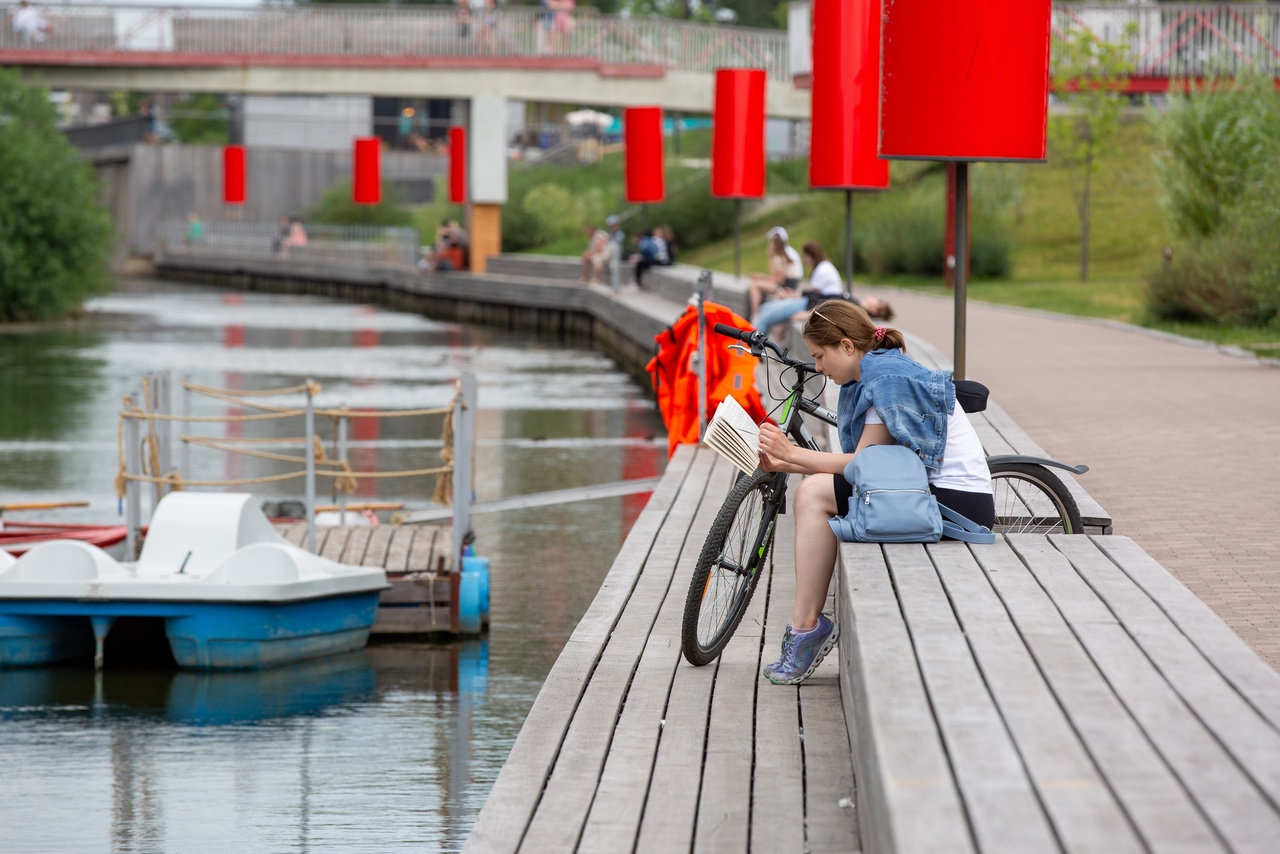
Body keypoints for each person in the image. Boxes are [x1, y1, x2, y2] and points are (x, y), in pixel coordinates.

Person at [755, 300, 994, 685]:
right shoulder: (874, 371)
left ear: (847, 347)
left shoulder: (886, 381)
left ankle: (806, 628)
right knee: (812, 489)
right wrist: (786, 462)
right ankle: (806, 627)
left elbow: (862, 465)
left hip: (955, 501)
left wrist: (793, 454)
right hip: (927, 489)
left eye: (820, 356)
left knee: (813, 495)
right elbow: (864, 466)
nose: (817, 367)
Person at [752, 241, 896, 333]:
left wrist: (808, 315)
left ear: (874, 309)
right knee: (765, 309)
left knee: (765, 318)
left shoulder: (854, 307)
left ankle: (751, 351)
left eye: (877, 300)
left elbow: (831, 311)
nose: (873, 297)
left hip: (805, 305)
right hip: (805, 301)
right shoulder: (855, 303)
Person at [747, 226, 803, 318]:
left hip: (786, 286)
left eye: (771, 242)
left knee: (754, 286)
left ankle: (755, 315)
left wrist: (761, 277)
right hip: (790, 283)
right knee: (758, 283)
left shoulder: (779, 257)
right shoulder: (787, 252)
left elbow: (778, 280)